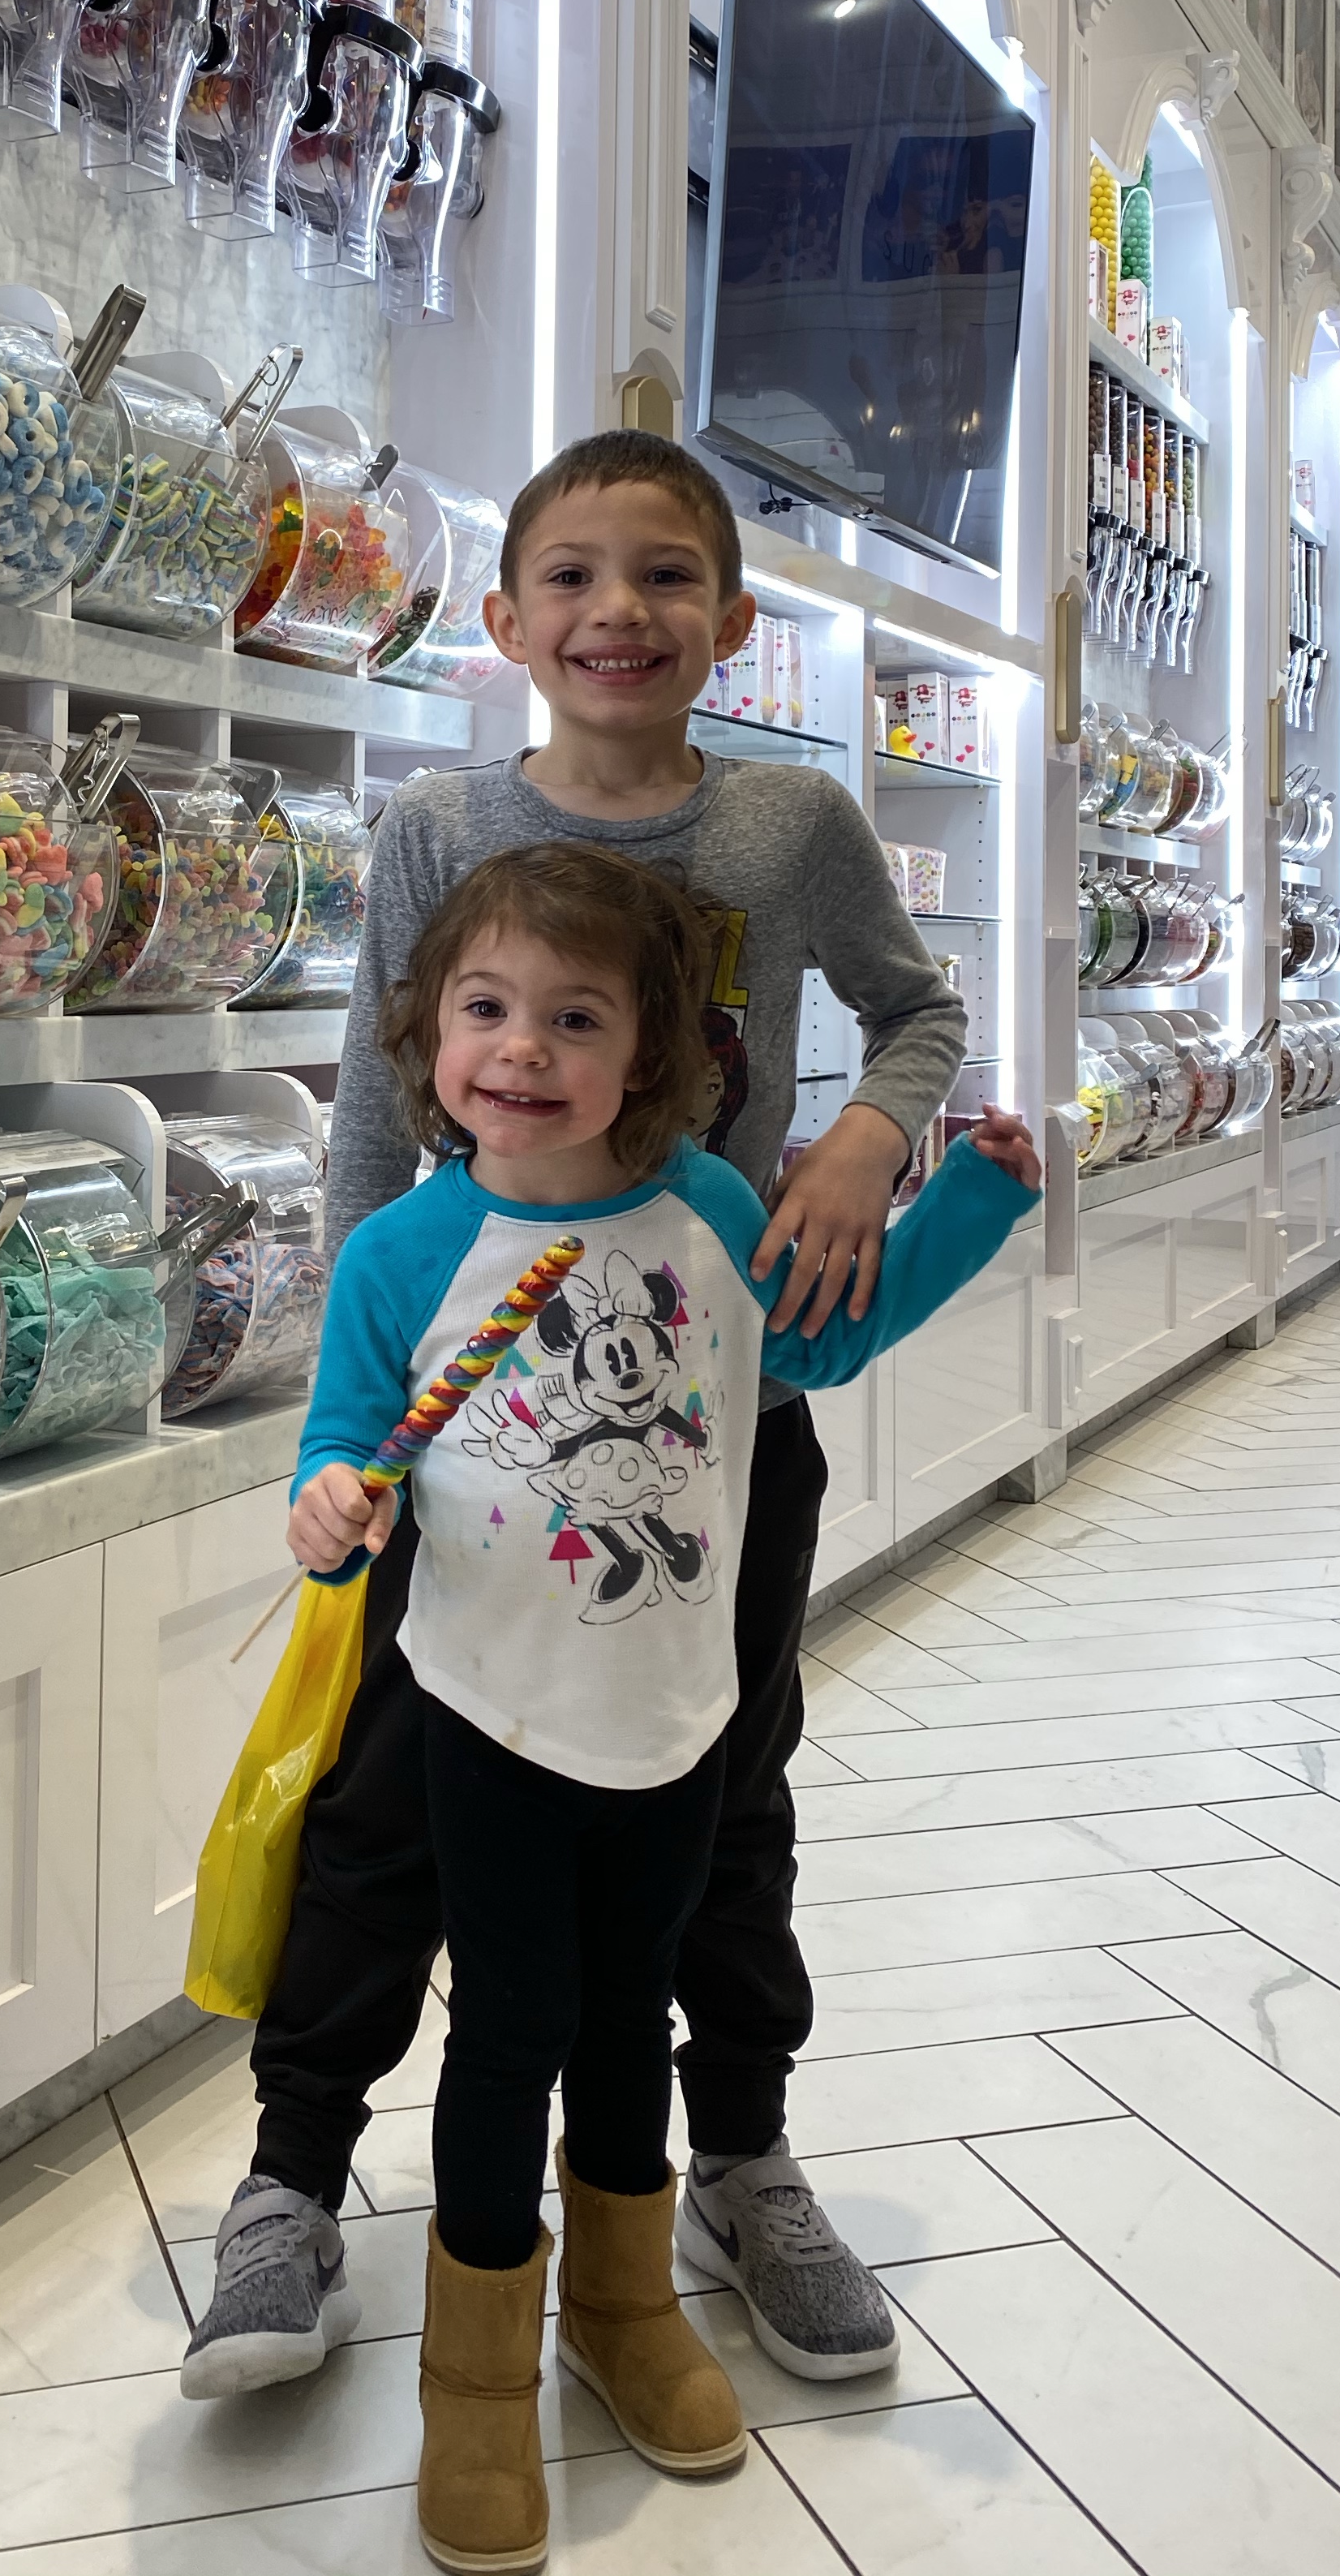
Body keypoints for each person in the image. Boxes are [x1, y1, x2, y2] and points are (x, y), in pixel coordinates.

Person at [182, 429, 973, 2402]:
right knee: (388, 1798)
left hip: (712, 1410)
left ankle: (741, 2158)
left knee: (727, 1780)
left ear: (735, 617)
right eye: (575, 575)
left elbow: (921, 1012)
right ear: (506, 616)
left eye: (666, 574)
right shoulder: (439, 827)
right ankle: (293, 2176)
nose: (621, 611)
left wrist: (869, 1142)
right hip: (464, 1437)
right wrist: (367, 1403)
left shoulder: (789, 827)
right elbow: (373, 1110)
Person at [281, 843, 1041, 2574]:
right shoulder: (404, 1253)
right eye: (485, 1008)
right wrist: (331, 1506)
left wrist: (971, 1207)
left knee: (631, 2013)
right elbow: (343, 1444)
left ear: (656, 1055)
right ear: (425, 1032)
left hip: (679, 1707)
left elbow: (818, 1346)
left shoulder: (700, 1206)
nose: (521, 1049)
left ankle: (623, 2312)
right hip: (488, 1714)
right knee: (509, 2028)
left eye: (575, 1018)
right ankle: (477, 2377)